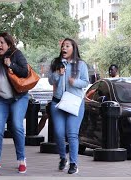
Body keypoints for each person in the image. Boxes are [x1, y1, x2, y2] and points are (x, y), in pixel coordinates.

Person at [0, 32, 29, 173]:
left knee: (16, 126)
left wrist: (11, 65)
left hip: (18, 97)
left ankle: (21, 160)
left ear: (9, 44)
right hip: (0, 99)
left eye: (2, 42)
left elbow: (25, 72)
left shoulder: (16, 54)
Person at [48, 38, 89, 174]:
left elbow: (85, 82)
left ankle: (73, 163)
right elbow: (50, 80)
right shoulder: (56, 63)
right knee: (59, 133)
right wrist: (57, 74)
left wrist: (74, 82)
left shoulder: (81, 64)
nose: (64, 48)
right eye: (63, 46)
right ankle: (62, 158)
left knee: (72, 134)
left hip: (75, 102)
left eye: (67, 46)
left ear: (73, 48)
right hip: (58, 102)